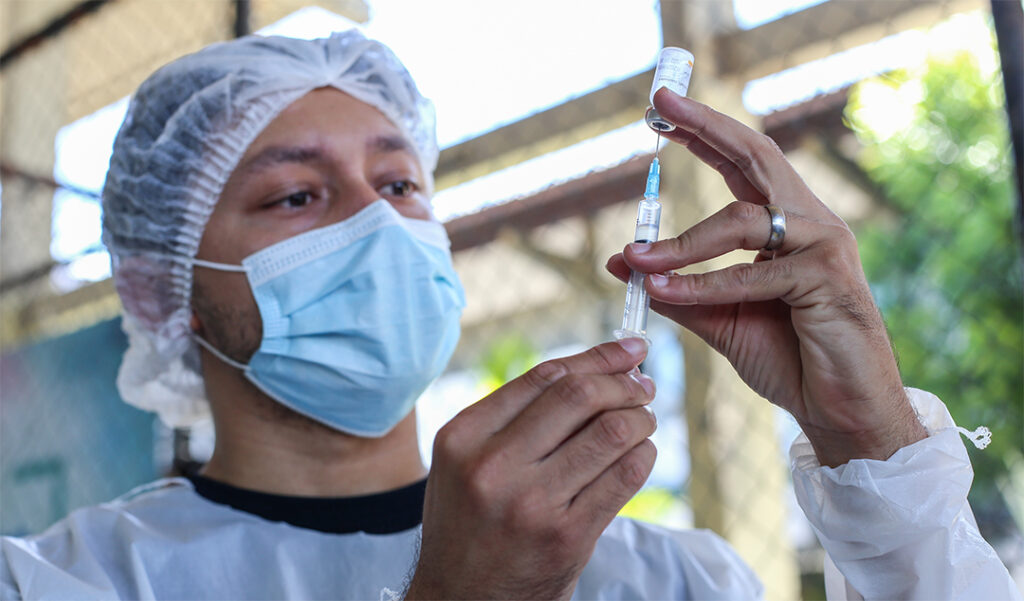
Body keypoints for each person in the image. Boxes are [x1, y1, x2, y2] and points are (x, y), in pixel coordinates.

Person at [0, 30, 1018, 601]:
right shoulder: (74, 584)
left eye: (401, 187)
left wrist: (871, 444)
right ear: (154, 288)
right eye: (297, 197)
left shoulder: (665, 578)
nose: (381, 229)